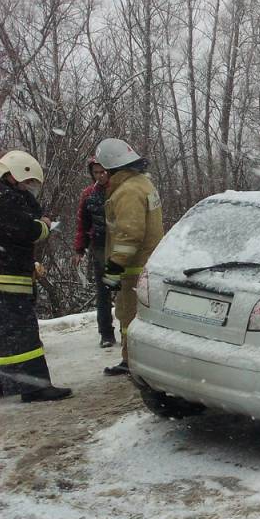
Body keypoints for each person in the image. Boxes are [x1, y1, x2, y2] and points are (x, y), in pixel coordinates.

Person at [0, 150, 73, 402]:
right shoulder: (7, 199)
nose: (30, 188)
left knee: (5, 334)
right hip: (8, 278)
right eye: (28, 183)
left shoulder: (6, 197)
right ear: (14, 175)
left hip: (7, 274)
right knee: (23, 334)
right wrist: (43, 225)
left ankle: (6, 383)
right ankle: (35, 386)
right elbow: (25, 230)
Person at [93, 138, 164, 376]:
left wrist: (114, 266)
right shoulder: (142, 183)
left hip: (133, 269)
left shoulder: (127, 191)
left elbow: (130, 233)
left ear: (112, 167)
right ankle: (136, 360)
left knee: (128, 316)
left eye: (104, 170)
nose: (101, 176)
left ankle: (132, 361)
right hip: (147, 265)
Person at [72, 158, 116, 348]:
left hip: (120, 244)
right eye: (96, 172)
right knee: (103, 291)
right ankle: (106, 333)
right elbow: (83, 224)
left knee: (125, 288)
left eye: (103, 171)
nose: (100, 175)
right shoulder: (88, 194)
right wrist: (79, 249)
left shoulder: (119, 191)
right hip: (99, 246)